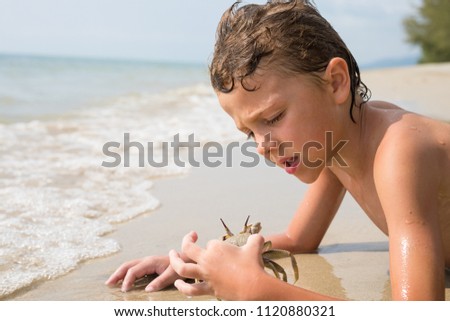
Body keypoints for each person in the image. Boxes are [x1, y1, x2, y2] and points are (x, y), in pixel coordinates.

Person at [106, 0, 450, 300]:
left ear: (336, 83)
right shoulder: (337, 145)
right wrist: (205, 262)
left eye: (273, 117)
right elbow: (297, 239)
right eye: (248, 132)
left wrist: (258, 290)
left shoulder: (399, 151)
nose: (261, 146)